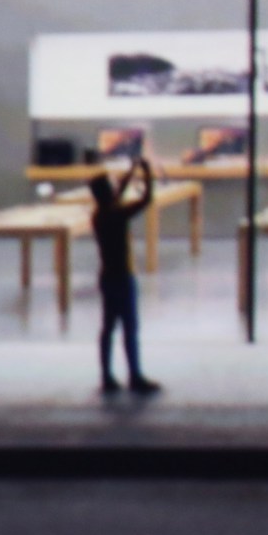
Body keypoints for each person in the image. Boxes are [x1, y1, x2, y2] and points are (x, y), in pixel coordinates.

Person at [89, 157, 160, 396]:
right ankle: (135, 375)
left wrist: (131, 172)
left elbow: (115, 196)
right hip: (123, 277)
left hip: (107, 277)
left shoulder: (99, 216)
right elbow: (147, 199)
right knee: (130, 328)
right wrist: (148, 175)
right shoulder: (117, 215)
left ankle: (107, 376)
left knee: (108, 327)